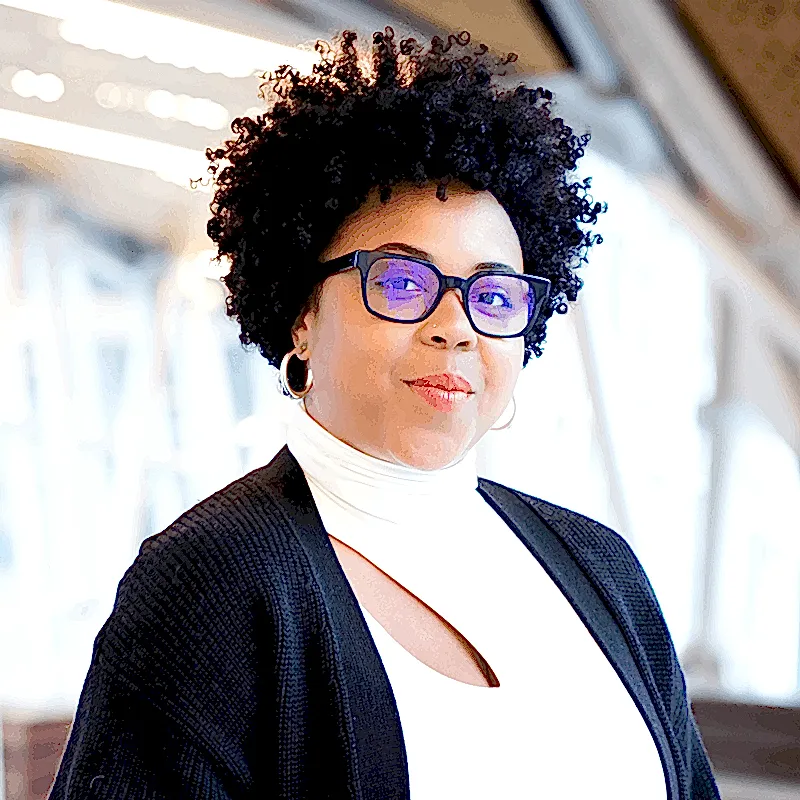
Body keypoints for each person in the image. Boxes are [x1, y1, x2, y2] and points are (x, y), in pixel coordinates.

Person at [49, 28, 720, 800]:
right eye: (403, 283)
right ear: (304, 312)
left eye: (493, 295)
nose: (455, 327)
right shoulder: (213, 584)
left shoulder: (601, 570)